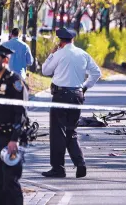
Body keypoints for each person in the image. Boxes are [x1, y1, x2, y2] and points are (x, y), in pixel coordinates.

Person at [41, 27, 101, 178]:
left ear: (60, 41)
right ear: (73, 39)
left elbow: (45, 71)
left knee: (57, 133)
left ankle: (58, 168)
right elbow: (96, 73)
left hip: (61, 95)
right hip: (77, 95)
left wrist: (51, 54)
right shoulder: (83, 54)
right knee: (71, 130)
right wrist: (85, 87)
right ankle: (80, 163)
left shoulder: (59, 53)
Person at [0, 41, 27, 205]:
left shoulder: (15, 82)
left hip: (10, 139)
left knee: (11, 182)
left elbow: (20, 113)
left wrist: (14, 139)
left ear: (5, 60)